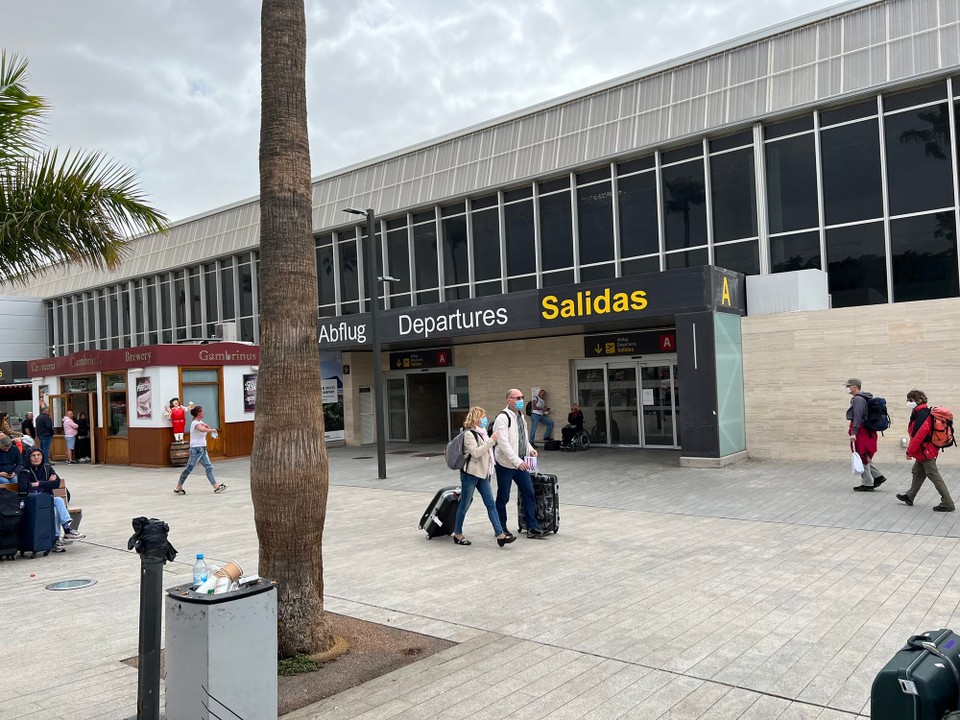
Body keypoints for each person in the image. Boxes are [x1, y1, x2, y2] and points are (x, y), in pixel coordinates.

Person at [452, 406, 517, 547]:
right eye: (483, 417)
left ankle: (500, 535)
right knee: (464, 504)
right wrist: (492, 441)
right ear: (476, 418)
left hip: (483, 474)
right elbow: (476, 453)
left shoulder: (482, 434)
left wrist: (490, 440)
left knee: (490, 504)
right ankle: (457, 533)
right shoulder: (469, 434)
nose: (485, 419)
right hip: (470, 474)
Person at [492, 389, 545, 539]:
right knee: (503, 497)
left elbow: (523, 439)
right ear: (509, 400)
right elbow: (503, 444)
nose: (521, 400)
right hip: (505, 465)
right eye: (517, 398)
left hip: (520, 463)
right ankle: (501, 528)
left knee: (529, 493)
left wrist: (530, 450)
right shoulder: (503, 418)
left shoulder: (521, 417)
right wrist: (517, 462)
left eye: (522, 397)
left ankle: (532, 527)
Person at [896, 390, 956, 512]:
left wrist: (909, 452)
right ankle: (909, 496)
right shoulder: (920, 412)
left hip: (926, 451)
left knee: (933, 475)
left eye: (910, 400)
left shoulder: (922, 415)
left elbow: (918, 436)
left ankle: (948, 503)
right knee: (917, 472)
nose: (908, 402)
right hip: (924, 450)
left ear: (917, 401)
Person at [18, 445, 84, 552]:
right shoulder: (24, 471)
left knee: (58, 501)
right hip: (33, 502)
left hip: (47, 499)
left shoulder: (47, 467)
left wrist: (38, 483)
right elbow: (25, 487)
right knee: (53, 510)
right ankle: (55, 540)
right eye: (33, 455)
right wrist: (47, 483)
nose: (36, 458)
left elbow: (57, 483)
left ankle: (67, 530)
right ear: (28, 457)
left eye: (38, 455)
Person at [846, 378, 887, 492]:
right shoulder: (864, 397)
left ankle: (867, 483)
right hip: (867, 431)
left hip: (861, 431)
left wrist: (854, 432)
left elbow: (857, 417)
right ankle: (878, 477)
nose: (847, 389)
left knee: (861, 455)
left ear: (854, 387)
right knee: (865, 455)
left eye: (848, 386)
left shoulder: (858, 399)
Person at [174, 406, 226, 495]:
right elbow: (202, 429)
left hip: (202, 448)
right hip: (196, 449)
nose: (203, 413)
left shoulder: (200, 422)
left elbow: (205, 427)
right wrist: (210, 430)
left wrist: (209, 428)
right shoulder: (195, 423)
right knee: (189, 468)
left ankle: (216, 486)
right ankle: (179, 486)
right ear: (199, 413)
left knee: (208, 467)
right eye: (202, 411)